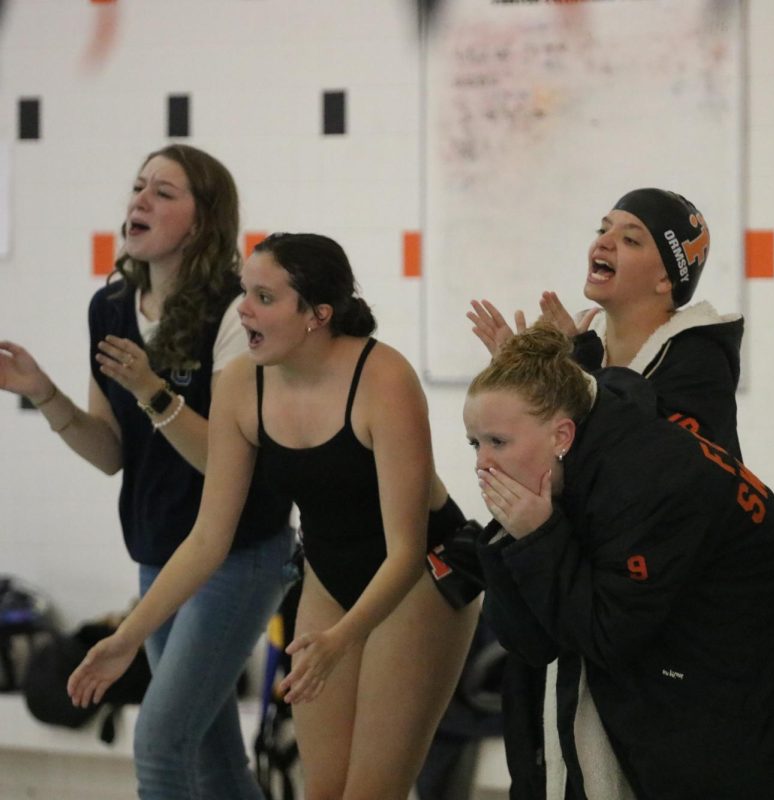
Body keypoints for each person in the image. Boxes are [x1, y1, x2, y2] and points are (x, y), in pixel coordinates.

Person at [66, 233, 479, 799]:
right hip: (329, 573)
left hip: (420, 576)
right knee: (322, 791)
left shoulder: (383, 380)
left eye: (264, 297)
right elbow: (209, 538)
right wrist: (126, 639)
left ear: (316, 315)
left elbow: (405, 549)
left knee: (370, 794)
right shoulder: (242, 384)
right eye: (245, 292)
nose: (243, 309)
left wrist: (341, 640)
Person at [464, 325, 774, 800]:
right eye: (475, 444)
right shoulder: (576, 467)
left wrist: (538, 537)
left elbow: (606, 634)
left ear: (562, 434)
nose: (482, 463)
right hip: (716, 662)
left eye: (498, 442)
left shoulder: (644, 478)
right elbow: (532, 642)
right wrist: (512, 538)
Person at [0, 143, 294, 798]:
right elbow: (110, 454)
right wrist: (42, 391)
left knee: (160, 744)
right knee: (216, 761)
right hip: (160, 552)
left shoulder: (234, 310)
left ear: (203, 218)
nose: (140, 199)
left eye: (164, 192)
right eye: (138, 187)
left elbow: (228, 464)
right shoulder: (109, 308)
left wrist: (155, 392)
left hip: (239, 555)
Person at [468, 187, 743, 456]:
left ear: (665, 279)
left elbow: (650, 463)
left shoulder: (699, 361)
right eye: (603, 230)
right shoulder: (580, 338)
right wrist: (518, 380)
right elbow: (551, 457)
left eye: (630, 240)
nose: (604, 242)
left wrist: (576, 370)